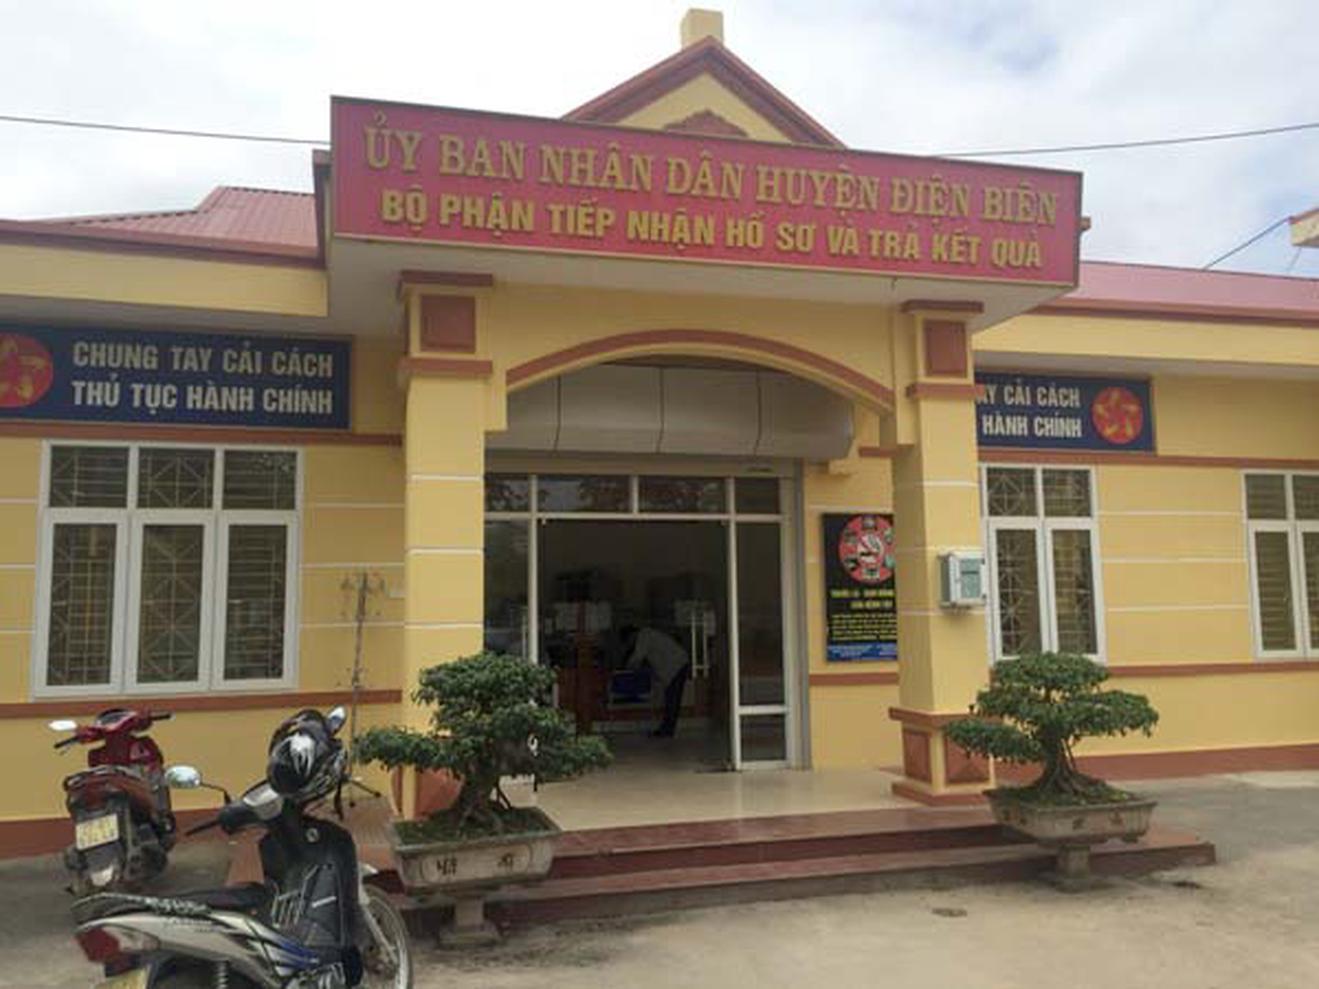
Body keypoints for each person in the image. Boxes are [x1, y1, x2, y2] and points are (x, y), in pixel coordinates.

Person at [621, 625, 692, 738]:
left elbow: (638, 656)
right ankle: (667, 729)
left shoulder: (644, 635)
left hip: (676, 665)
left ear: (631, 636)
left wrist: (627, 667)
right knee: (671, 700)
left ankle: (667, 730)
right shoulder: (648, 634)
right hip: (677, 664)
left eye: (629, 642)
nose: (631, 644)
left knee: (672, 700)